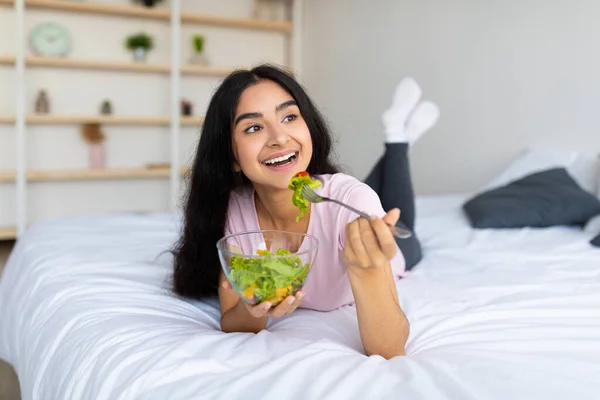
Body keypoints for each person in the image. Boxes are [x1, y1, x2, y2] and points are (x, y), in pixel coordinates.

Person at [172, 65, 439, 359]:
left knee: (405, 225)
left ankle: (398, 140)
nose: (279, 137)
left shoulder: (352, 201)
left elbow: (389, 350)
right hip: (341, 196)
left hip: (396, 250)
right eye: (253, 127)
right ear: (232, 157)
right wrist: (254, 310)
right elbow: (233, 319)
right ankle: (399, 137)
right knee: (367, 192)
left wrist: (368, 269)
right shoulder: (235, 209)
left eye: (289, 117)